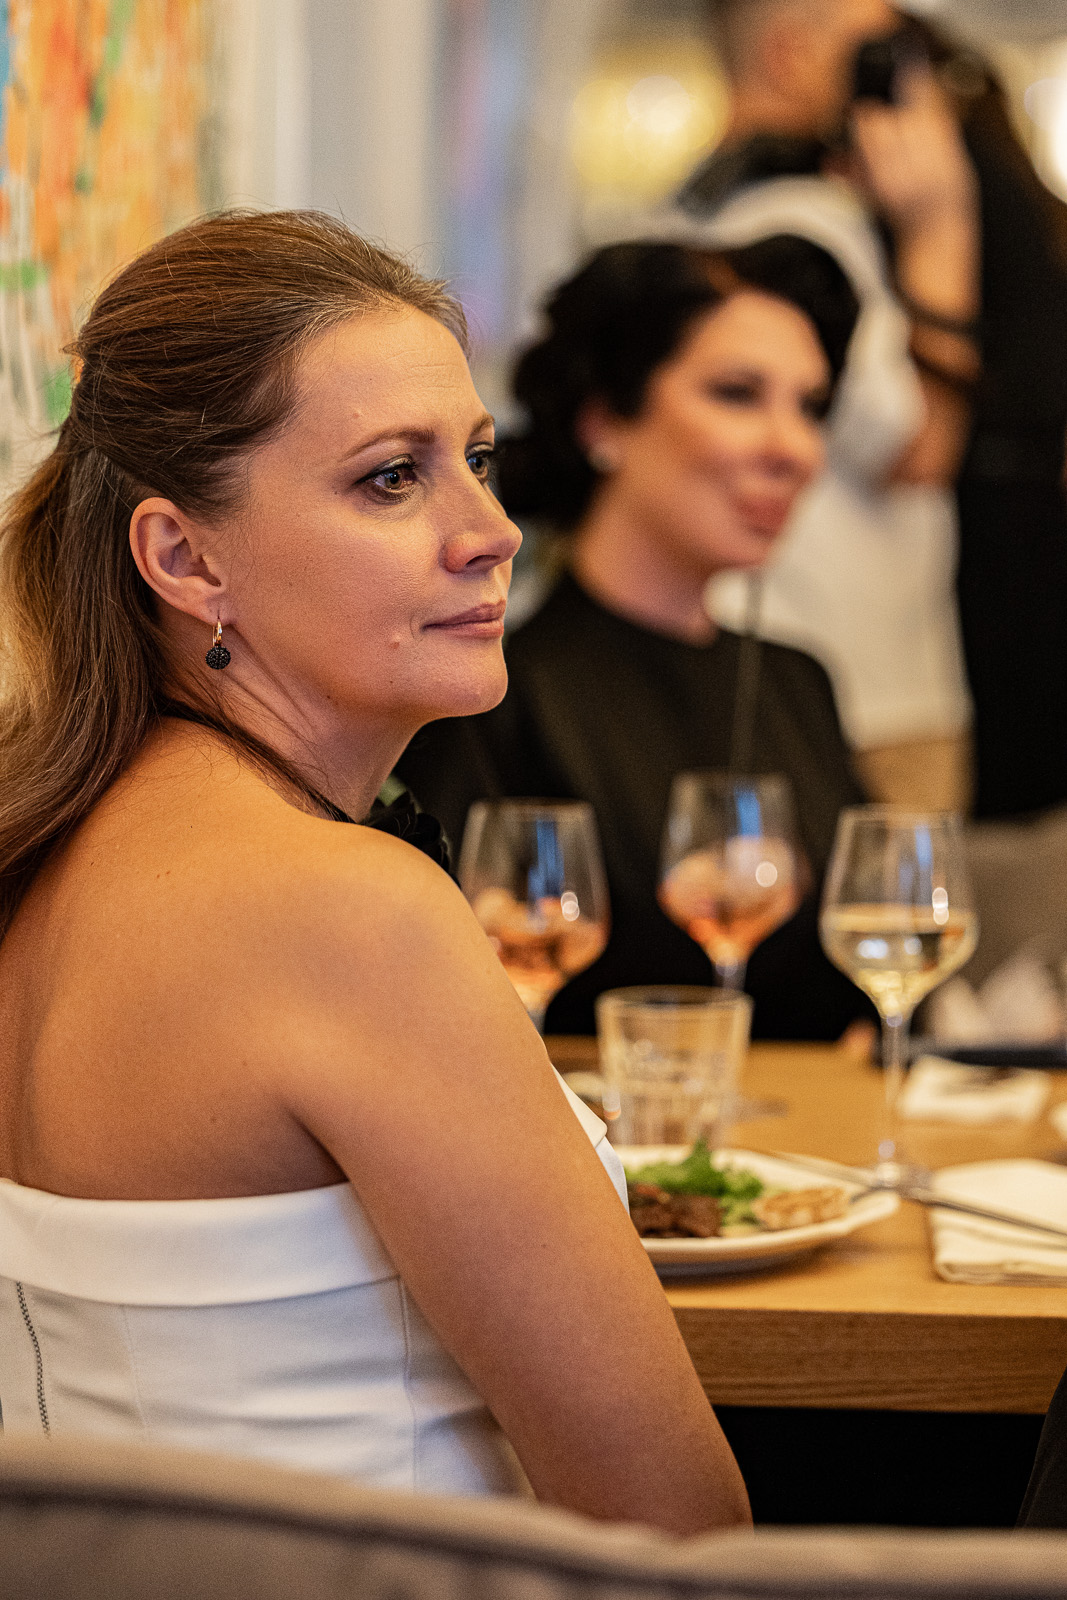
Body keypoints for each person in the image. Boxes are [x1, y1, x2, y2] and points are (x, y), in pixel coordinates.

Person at [0, 211, 750, 1532]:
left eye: (477, 460)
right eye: (391, 479)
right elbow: (672, 1528)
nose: (490, 531)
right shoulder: (344, 911)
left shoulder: (47, 847)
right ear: (183, 556)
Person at [398, 236, 872, 1041]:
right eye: (737, 394)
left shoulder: (797, 681)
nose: (792, 449)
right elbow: (448, 1006)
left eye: (809, 408)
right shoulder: (490, 694)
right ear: (603, 419)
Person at [674, 0, 980, 812]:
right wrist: (941, 226)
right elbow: (915, 449)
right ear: (791, 54)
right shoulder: (809, 226)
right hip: (865, 688)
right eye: (882, 53)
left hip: (742, 655)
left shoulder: (684, 212)